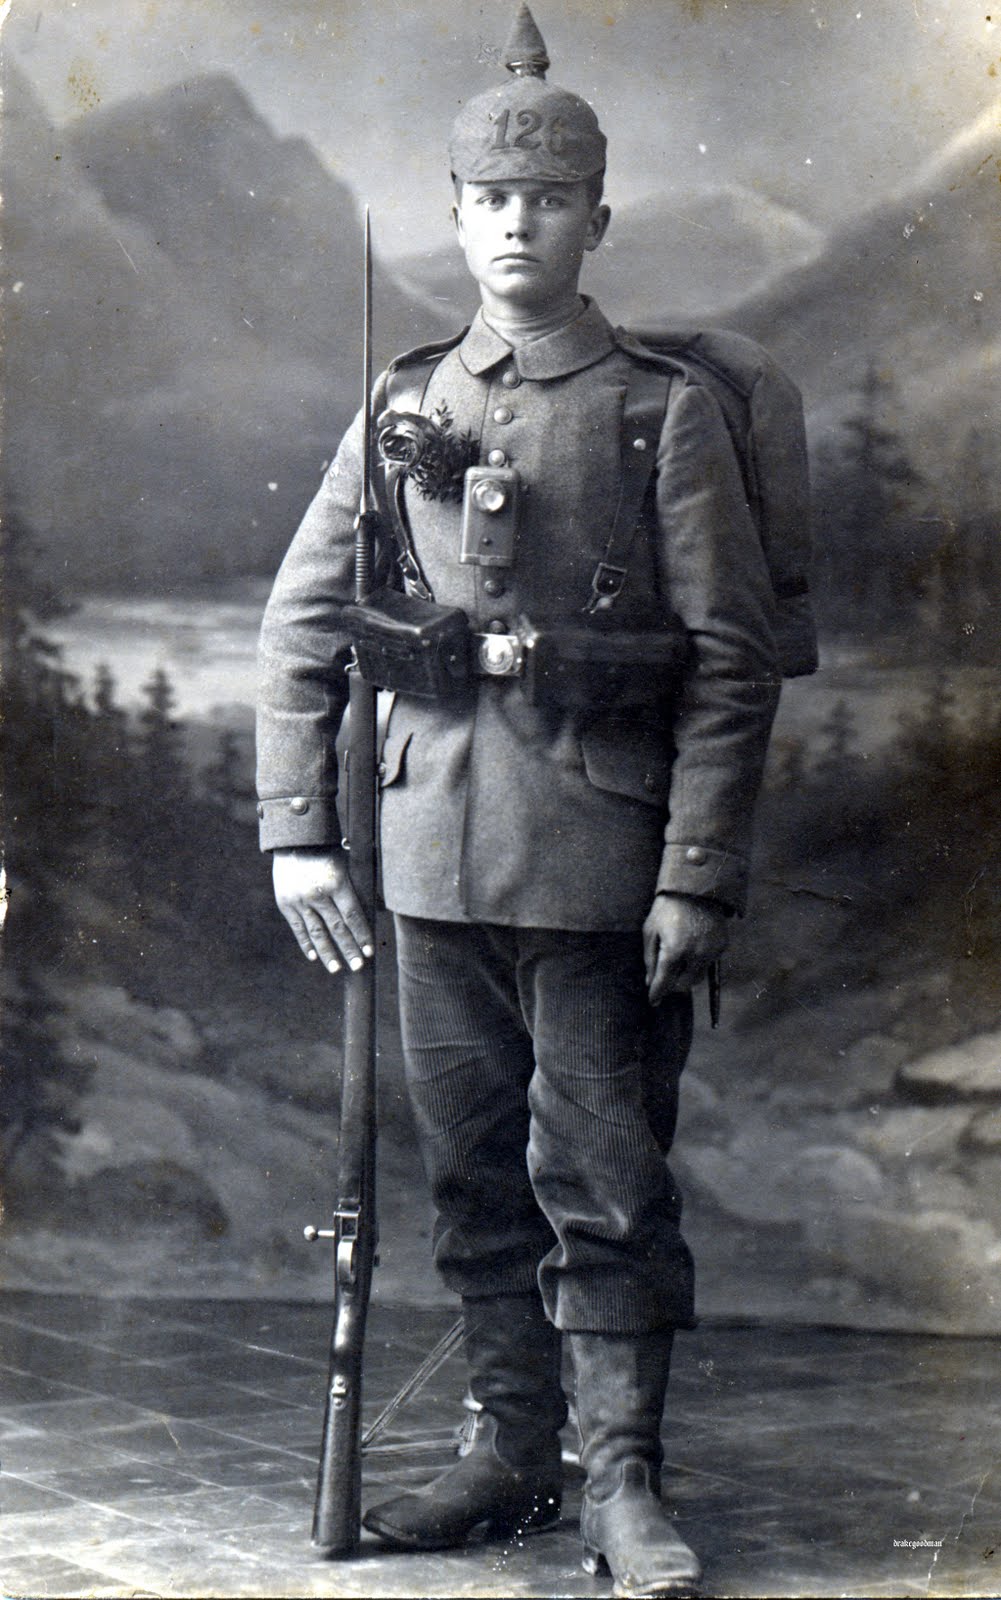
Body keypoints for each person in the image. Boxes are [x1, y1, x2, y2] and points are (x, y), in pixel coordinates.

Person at [256, 6, 782, 1594]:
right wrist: (298, 834)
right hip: (427, 864)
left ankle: (619, 1484)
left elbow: (729, 660)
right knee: (472, 1172)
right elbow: (300, 626)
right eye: (489, 201)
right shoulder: (404, 395)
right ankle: (508, 1451)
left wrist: (692, 878)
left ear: (593, 220)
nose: (514, 226)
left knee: (605, 1178)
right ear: (457, 216)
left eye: (546, 201)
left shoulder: (657, 410)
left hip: (598, 862)